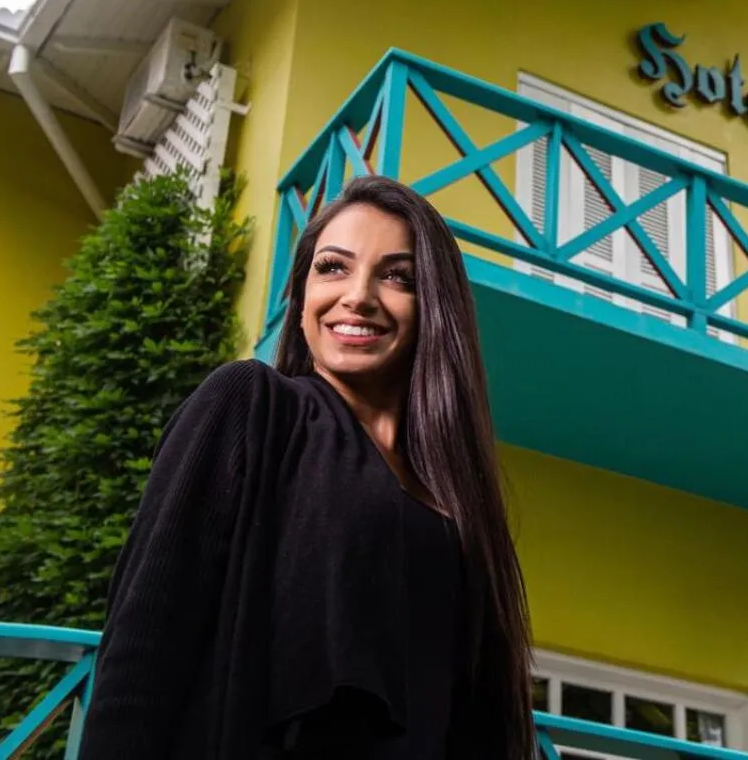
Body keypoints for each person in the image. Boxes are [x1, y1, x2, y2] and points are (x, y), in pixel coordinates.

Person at [78, 175, 534, 760]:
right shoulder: (249, 404)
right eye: (333, 267)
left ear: (434, 310)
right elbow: (143, 648)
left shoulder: (459, 500)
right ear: (300, 300)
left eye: (398, 277)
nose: (359, 296)